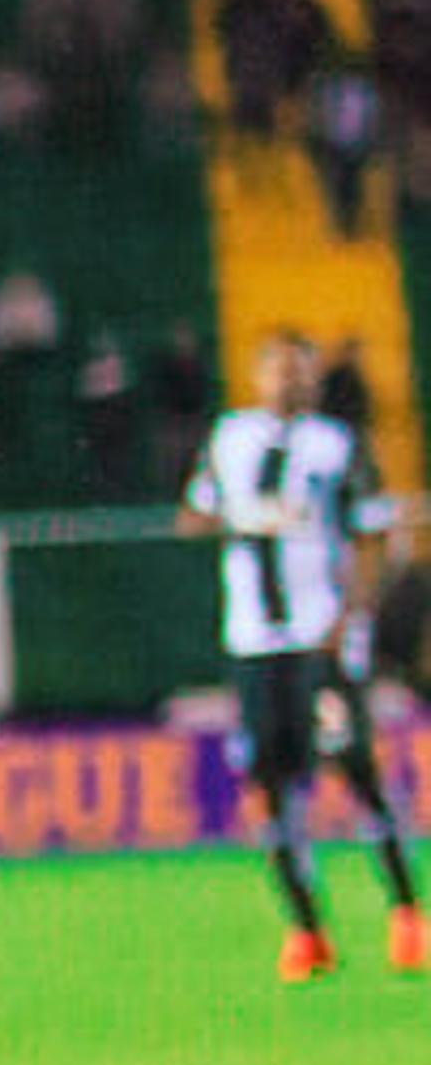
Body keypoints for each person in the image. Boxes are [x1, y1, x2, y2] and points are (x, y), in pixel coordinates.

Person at [175, 327, 423, 980]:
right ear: (259, 377)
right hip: (256, 643)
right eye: (280, 370)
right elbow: (192, 516)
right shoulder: (230, 439)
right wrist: (245, 515)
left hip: (323, 639)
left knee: (352, 766)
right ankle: (307, 929)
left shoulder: (335, 445)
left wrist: (351, 616)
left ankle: (406, 912)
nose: (292, 381)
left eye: (301, 371)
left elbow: (372, 532)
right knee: (270, 785)